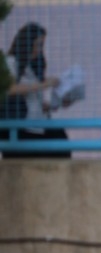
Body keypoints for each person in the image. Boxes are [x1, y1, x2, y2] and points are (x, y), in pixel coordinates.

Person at [1, 22, 71, 159]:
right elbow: (9, 88)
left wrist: (54, 104)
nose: (39, 50)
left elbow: (33, 101)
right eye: (37, 44)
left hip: (38, 123)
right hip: (22, 126)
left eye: (41, 45)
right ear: (27, 43)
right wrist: (43, 84)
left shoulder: (31, 67)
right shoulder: (10, 62)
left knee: (61, 143)